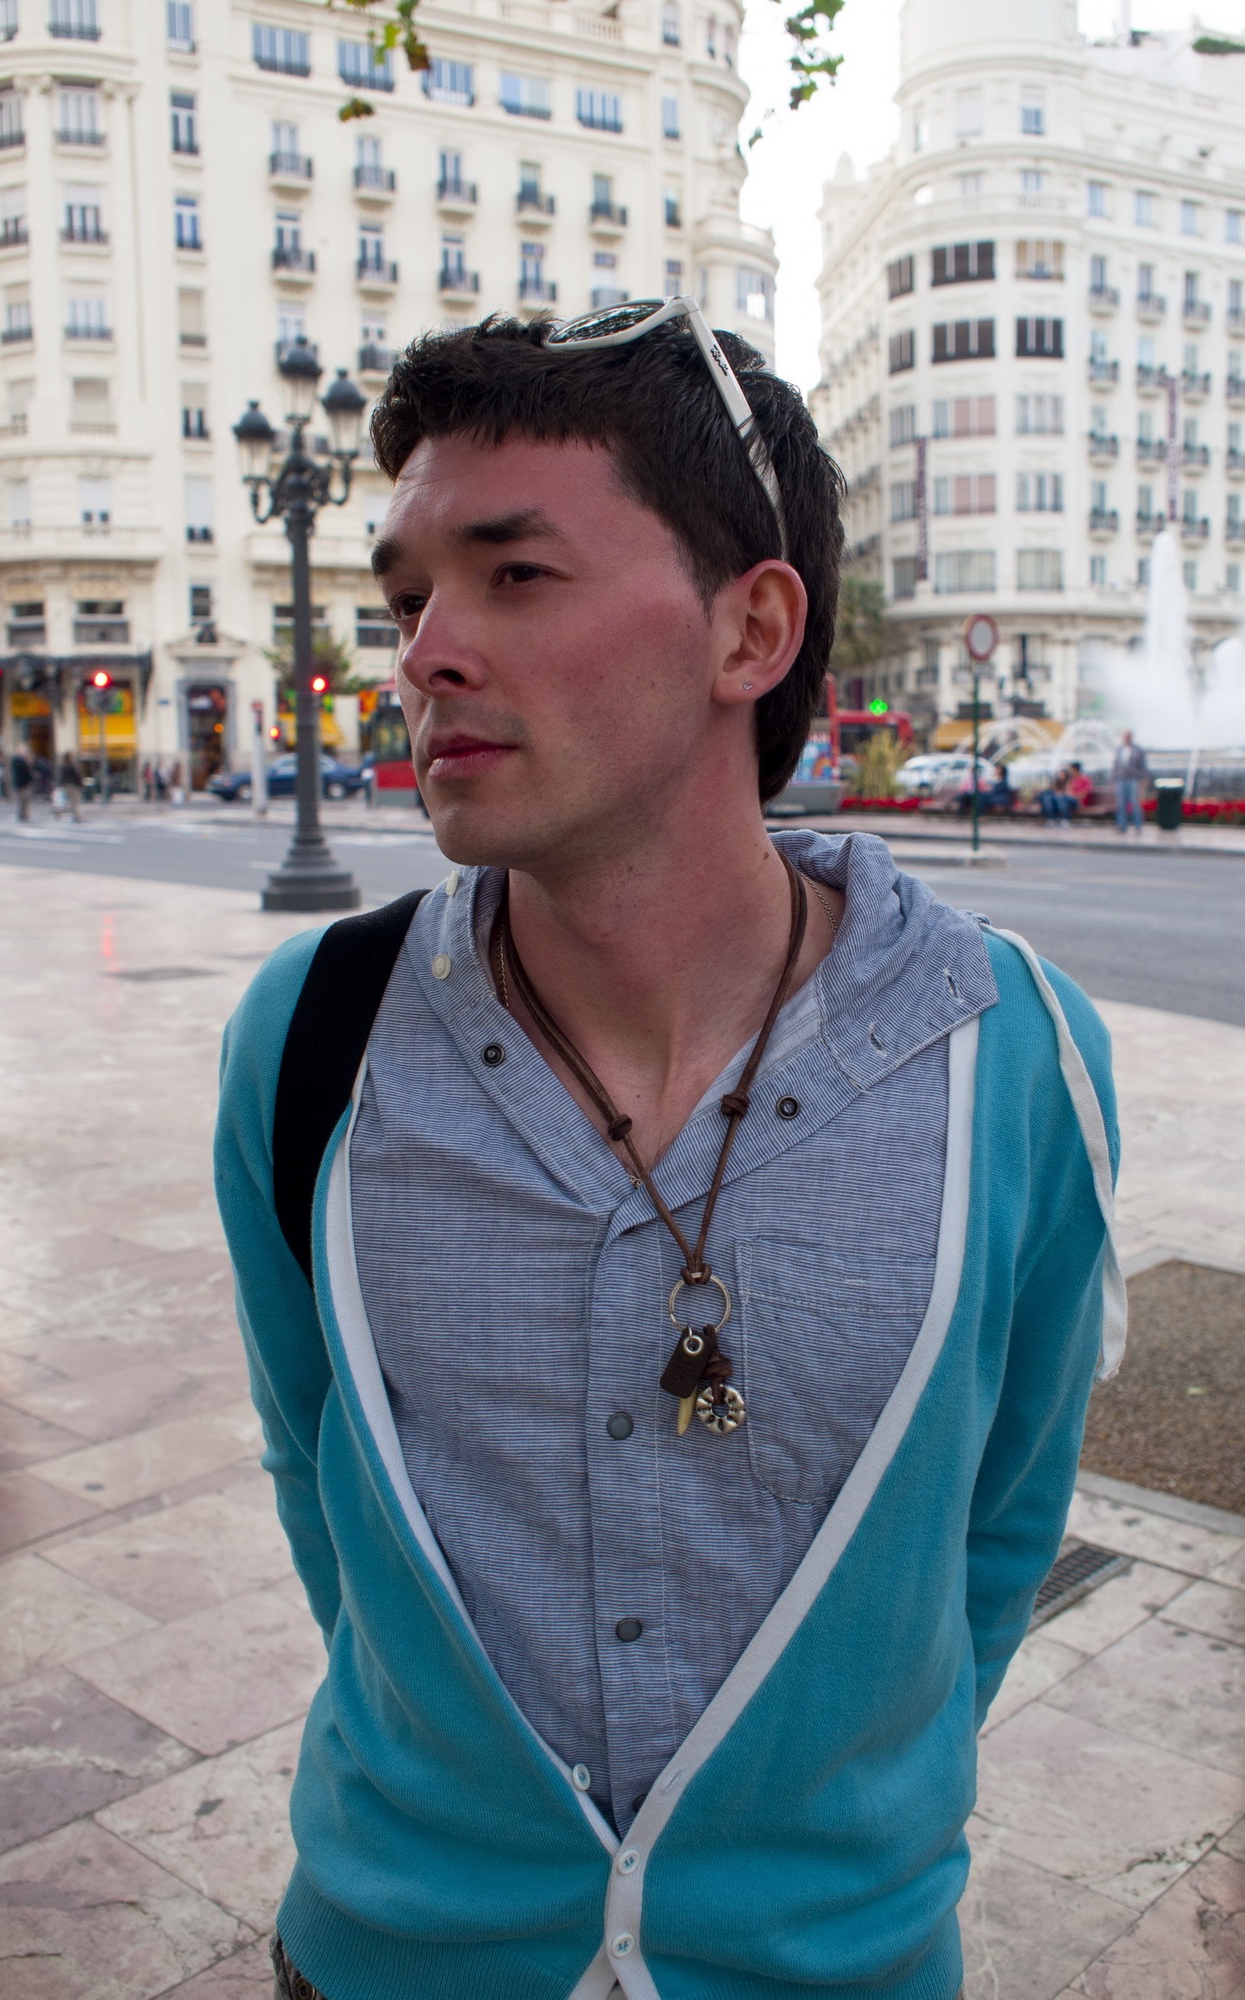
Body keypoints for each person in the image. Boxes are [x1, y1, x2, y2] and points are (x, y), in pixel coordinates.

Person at [216, 306, 1122, 2000]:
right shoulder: (316, 1036)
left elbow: (996, 1522)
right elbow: (316, 1470)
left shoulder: (1009, 1054)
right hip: (394, 1955)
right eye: (406, 599)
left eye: (515, 575)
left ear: (747, 627)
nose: (423, 654)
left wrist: (835, 1833)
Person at [1112, 729, 1149, 833]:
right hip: (1120, 779)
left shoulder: (1138, 750)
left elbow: (1143, 765)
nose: (1127, 738)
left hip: (1133, 779)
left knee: (1134, 803)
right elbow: (1115, 765)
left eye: (1129, 736)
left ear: (1132, 737)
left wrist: (1143, 778)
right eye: (1125, 736)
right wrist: (1113, 779)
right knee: (1121, 804)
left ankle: (1138, 826)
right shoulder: (1119, 750)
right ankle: (1122, 825)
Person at [55, 750, 83, 820]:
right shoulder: (72, 765)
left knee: (63, 800)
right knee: (74, 801)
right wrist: (80, 784)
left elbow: (60, 776)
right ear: (69, 757)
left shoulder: (62, 765)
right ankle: (76, 816)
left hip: (65, 785)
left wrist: (60, 785)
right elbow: (77, 775)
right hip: (73, 785)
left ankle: (58, 813)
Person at [9, 741, 33, 821]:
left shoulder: (18, 760)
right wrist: (28, 761)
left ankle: (23, 815)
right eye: (24, 751)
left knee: (24, 800)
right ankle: (23, 815)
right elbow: (26, 771)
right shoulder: (18, 760)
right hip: (22, 783)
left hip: (22, 783)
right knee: (23, 800)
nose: (25, 752)